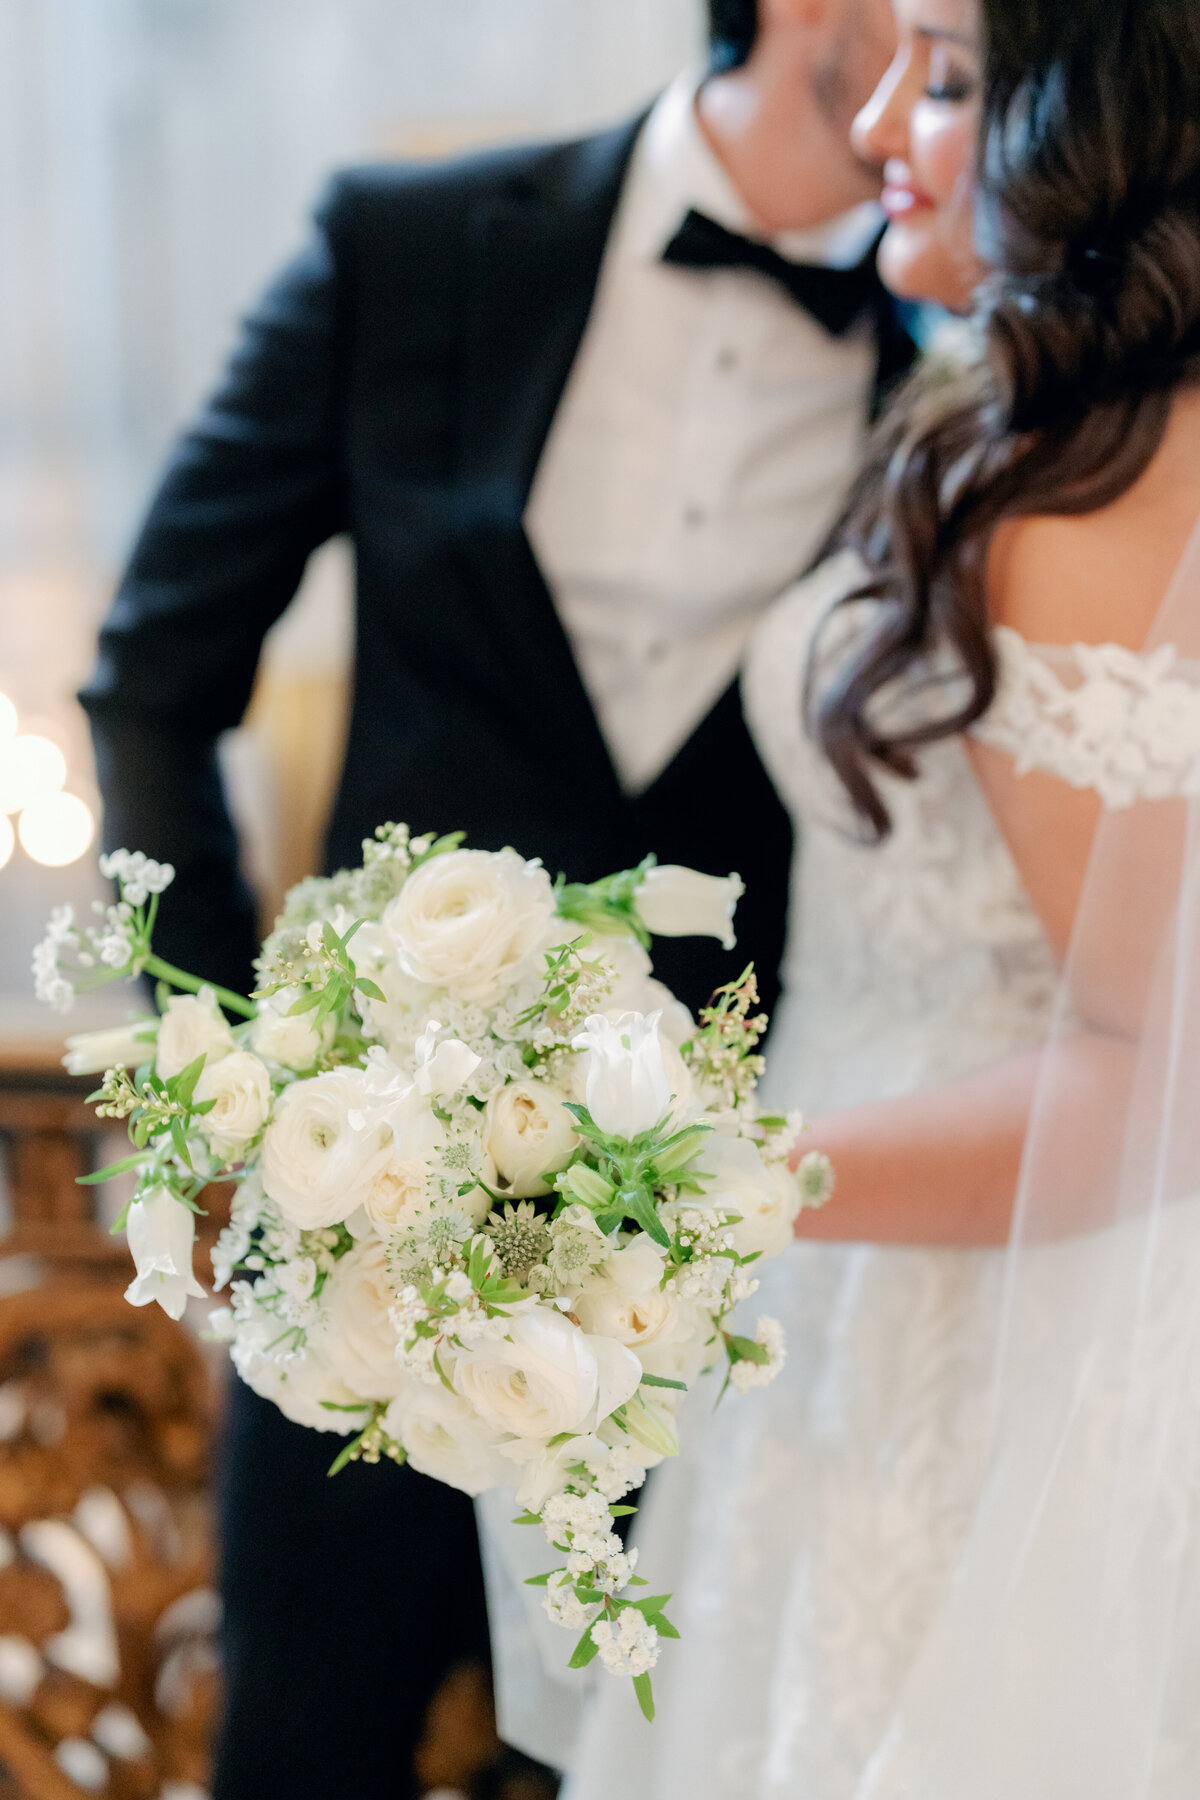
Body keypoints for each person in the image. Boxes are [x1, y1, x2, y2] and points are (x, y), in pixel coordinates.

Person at [79, 2, 915, 1793]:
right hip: (357, 1226)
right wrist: (241, 1067)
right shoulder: (407, 247)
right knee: (307, 1746)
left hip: (708, 1262)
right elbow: (156, 667)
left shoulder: (961, 361)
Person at [566, 0, 1200, 1794]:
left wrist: (716, 1186)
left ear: (1087, 123)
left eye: (943, 79)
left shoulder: (1058, 520)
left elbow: (1163, 1076)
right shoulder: (1043, 432)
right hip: (888, 1265)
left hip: (992, 1306)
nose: (880, 136)